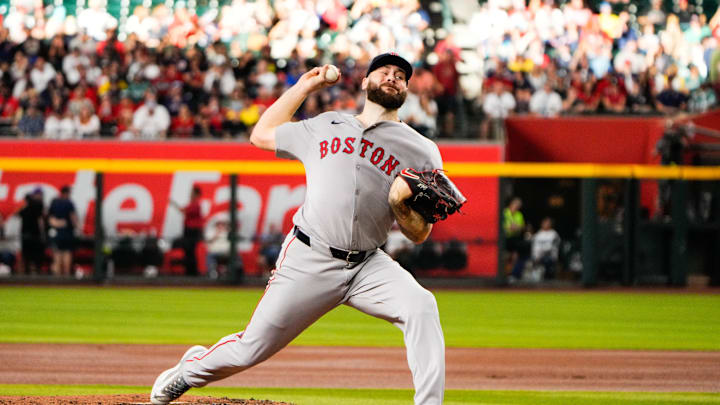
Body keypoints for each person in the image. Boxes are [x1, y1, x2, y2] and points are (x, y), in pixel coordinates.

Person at [151, 53, 446, 405]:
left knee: (422, 306)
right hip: (311, 256)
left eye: (401, 75)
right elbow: (260, 135)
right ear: (365, 82)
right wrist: (305, 86)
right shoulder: (325, 125)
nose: (393, 77)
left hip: (368, 265)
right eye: (384, 71)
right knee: (250, 349)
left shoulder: (423, 150)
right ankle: (188, 371)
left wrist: (401, 207)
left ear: (406, 89)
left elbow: (420, 233)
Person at [170, 186, 203, 276]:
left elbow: (184, 210)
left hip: (192, 231)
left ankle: (192, 272)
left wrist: (174, 204)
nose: (190, 195)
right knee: (188, 251)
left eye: (192, 193)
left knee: (190, 251)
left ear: (196, 194)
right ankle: (190, 271)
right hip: (190, 230)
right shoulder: (192, 204)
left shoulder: (196, 204)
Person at [48, 185, 77, 277]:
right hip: (67, 232)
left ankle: (57, 277)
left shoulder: (54, 202)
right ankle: (66, 276)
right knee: (66, 253)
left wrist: (57, 224)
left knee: (57, 254)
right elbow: (73, 218)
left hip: (56, 232)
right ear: (66, 193)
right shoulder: (69, 203)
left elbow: (50, 219)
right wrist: (74, 226)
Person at [15, 188, 46, 275]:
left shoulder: (31, 206)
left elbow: (16, 213)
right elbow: (41, 220)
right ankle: (32, 271)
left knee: (29, 255)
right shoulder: (37, 205)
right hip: (33, 234)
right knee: (32, 255)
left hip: (29, 234)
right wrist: (42, 233)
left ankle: (28, 272)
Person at [503, 197, 529, 281]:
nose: (517, 206)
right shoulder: (504, 213)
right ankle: (503, 274)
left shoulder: (519, 215)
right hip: (505, 238)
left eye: (519, 205)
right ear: (511, 204)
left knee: (516, 256)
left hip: (515, 238)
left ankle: (512, 274)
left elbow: (522, 227)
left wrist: (516, 227)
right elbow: (500, 225)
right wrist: (508, 228)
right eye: (516, 204)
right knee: (505, 256)